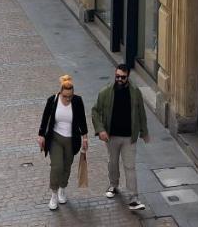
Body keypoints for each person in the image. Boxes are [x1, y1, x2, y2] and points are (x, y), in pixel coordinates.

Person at [90, 63, 150, 211]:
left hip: (129, 137)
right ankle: (113, 185)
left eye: (122, 77)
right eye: (117, 76)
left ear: (128, 76)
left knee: (130, 166)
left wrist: (144, 132)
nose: (119, 79)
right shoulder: (105, 92)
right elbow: (95, 111)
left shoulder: (135, 92)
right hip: (112, 137)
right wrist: (101, 130)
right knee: (113, 163)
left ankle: (134, 197)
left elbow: (141, 112)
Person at [37, 75, 88, 211]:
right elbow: (45, 118)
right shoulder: (53, 100)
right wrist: (41, 135)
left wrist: (85, 138)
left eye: (70, 96)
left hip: (71, 140)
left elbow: (82, 120)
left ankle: (62, 189)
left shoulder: (77, 101)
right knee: (57, 166)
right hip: (55, 138)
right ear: (60, 92)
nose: (67, 99)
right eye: (65, 96)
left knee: (67, 166)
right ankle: (53, 194)